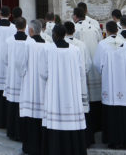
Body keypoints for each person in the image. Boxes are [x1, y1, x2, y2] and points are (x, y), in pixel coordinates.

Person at [40, 23, 88, 155]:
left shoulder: (48, 50)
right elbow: (81, 71)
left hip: (55, 93)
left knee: (55, 120)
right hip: (72, 93)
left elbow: (43, 73)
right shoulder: (75, 50)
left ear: (54, 35)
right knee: (71, 121)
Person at [94, 20, 126, 148]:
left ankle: (113, 141)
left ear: (106, 31)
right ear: (117, 30)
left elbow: (97, 63)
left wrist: (104, 71)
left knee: (112, 111)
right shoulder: (125, 44)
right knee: (125, 111)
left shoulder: (102, 45)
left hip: (110, 85)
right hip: (125, 85)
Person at [19, 19, 50, 155]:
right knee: (43, 116)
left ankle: (30, 147)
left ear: (31, 31)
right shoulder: (48, 45)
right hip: (44, 87)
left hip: (31, 87)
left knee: (31, 116)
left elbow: (21, 65)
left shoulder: (28, 45)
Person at [73, 5, 103, 141]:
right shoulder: (95, 27)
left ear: (75, 16)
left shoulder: (75, 29)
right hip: (94, 64)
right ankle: (98, 124)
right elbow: (100, 43)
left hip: (83, 65)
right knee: (96, 96)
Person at [2, 16, 34, 141]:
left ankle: (12, 132)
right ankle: (23, 132)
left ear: (15, 26)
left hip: (12, 77)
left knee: (13, 106)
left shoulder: (9, 41)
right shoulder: (30, 42)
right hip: (25, 78)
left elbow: (4, 59)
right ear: (25, 26)